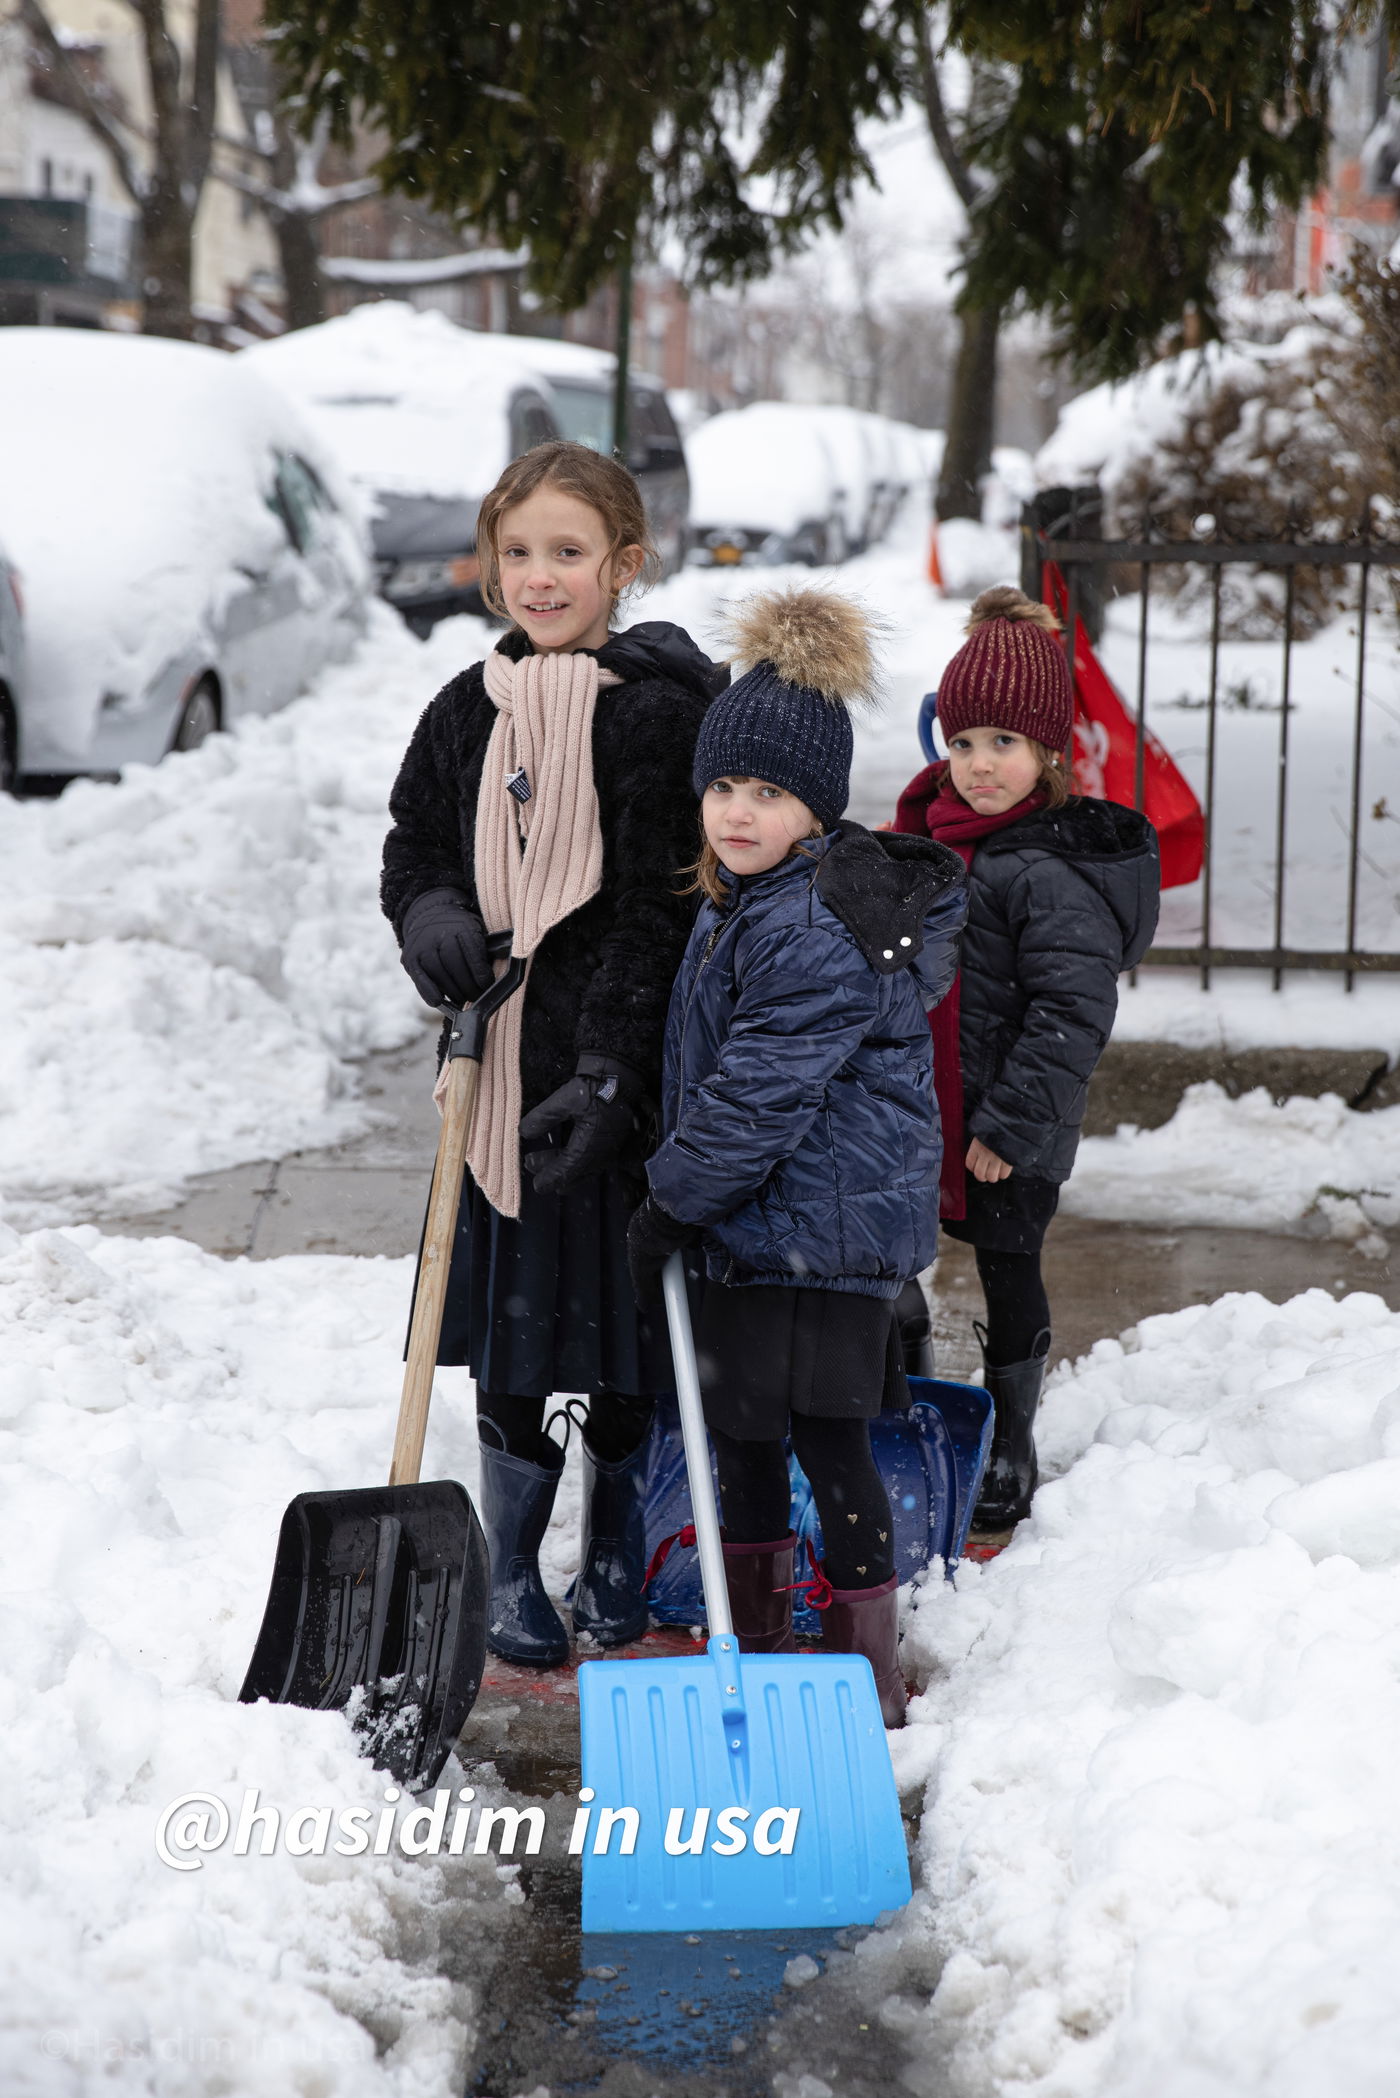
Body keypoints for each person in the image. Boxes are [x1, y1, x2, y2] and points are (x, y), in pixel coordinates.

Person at [381, 440, 725, 1667]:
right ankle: (515, 1560)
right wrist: (427, 914)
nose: (539, 576)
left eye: (567, 553)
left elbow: (659, 906)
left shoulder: (657, 716)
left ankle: (620, 1537)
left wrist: (611, 1069)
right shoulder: (464, 707)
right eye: (517, 551)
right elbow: (416, 837)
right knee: (519, 1330)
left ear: (622, 565)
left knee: (625, 1330)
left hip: (620, 1084)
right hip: (498, 1071)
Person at [627, 587, 967, 1727]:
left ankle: (866, 1673)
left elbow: (761, 1091)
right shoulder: (749, 899)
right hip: (762, 1230)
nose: (735, 810)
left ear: (814, 809)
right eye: (722, 786)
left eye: (766, 792)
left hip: (820, 1238)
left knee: (828, 1441)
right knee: (743, 1440)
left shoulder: (812, 923)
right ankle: (761, 1644)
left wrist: (671, 1197)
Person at [891, 586, 1160, 1533]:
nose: (977, 766)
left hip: (1009, 1123)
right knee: (891, 1259)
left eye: (1002, 743)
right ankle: (905, 1402)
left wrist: (1007, 1126)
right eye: (961, 742)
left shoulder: (1050, 870)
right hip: (920, 1108)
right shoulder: (922, 842)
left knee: (1009, 1265)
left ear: (1049, 752)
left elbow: (1073, 1011)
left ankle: (1010, 1431)